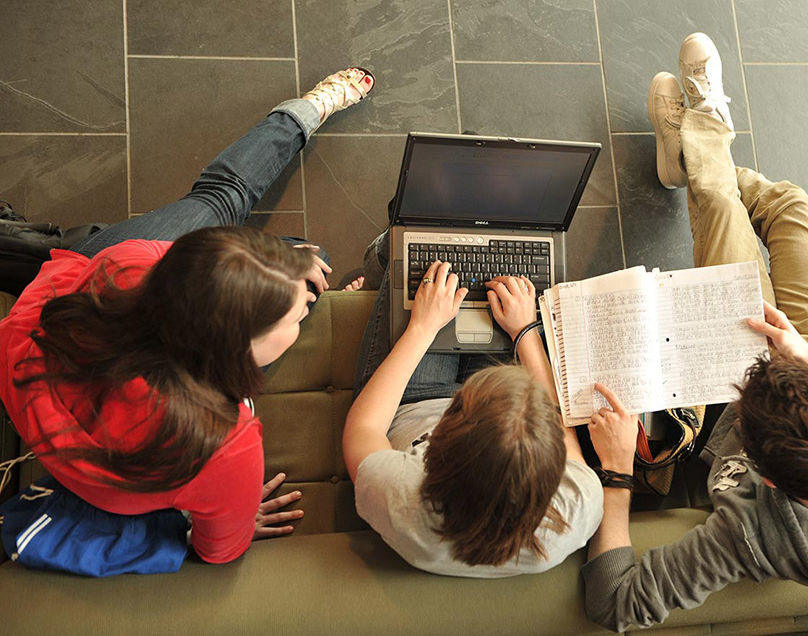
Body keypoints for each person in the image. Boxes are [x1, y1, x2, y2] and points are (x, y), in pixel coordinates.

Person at [580, 33, 808, 631]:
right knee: (788, 203)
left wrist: (616, 477)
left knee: (722, 207)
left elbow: (616, 604)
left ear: (762, 474)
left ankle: (701, 148)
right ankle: (694, 151)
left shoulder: (752, 535)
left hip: (727, 367)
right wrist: (802, 355)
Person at [0, 67, 375, 566]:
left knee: (220, 210)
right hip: (102, 309)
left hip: (66, 314)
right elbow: (219, 551)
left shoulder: (129, 268)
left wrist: (276, 268)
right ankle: (304, 115)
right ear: (234, 349)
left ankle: (299, 119)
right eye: (295, 315)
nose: (306, 308)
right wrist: (238, 518)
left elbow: (181, 257)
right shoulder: (224, 445)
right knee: (304, 251)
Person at [341, 234, 604, 577]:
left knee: (412, 248)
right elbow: (553, 421)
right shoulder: (576, 508)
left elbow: (363, 428)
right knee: (502, 261)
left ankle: (375, 266)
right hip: (489, 407)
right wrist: (524, 331)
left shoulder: (400, 495)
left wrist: (422, 327)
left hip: (412, 400)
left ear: (438, 440)